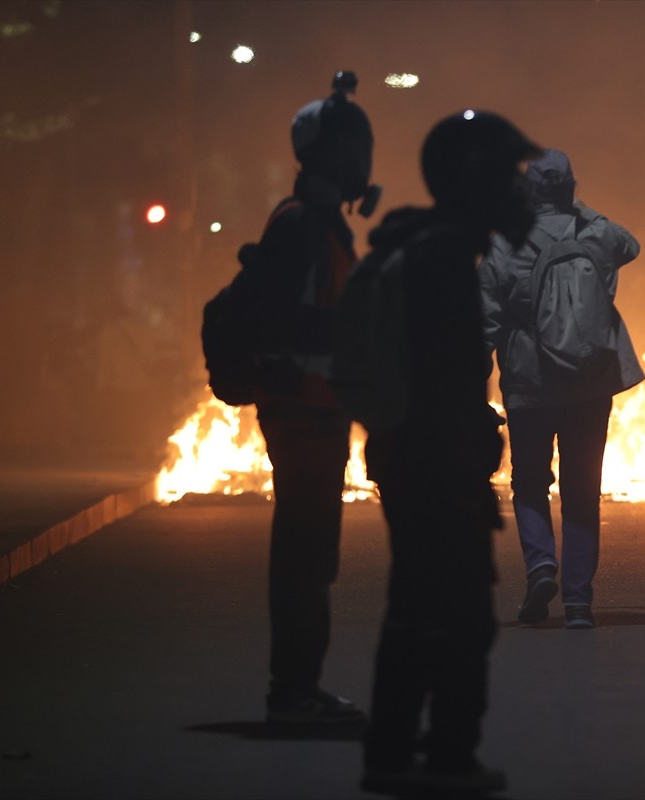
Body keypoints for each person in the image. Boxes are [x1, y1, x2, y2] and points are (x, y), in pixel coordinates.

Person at [358, 110, 541, 797]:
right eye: (505, 174)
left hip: (418, 461)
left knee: (418, 605)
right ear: (473, 180)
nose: (518, 188)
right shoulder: (441, 261)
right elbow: (444, 378)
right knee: (457, 616)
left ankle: (395, 752)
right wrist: (464, 465)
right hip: (436, 468)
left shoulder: (437, 248)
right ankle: (444, 761)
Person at [253, 71, 380, 729]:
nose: (364, 162)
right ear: (325, 155)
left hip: (319, 411)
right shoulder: (300, 227)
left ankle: (302, 684)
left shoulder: (322, 224)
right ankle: (292, 691)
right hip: (301, 412)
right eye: (354, 148)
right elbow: (286, 320)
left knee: (314, 555)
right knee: (303, 556)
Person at [477, 148, 643, 629]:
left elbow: (484, 321)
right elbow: (630, 245)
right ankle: (577, 602)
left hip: (530, 383)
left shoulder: (505, 244)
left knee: (530, 482)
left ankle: (541, 566)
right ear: (570, 188)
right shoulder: (594, 233)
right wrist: (579, 209)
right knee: (582, 488)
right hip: (590, 384)